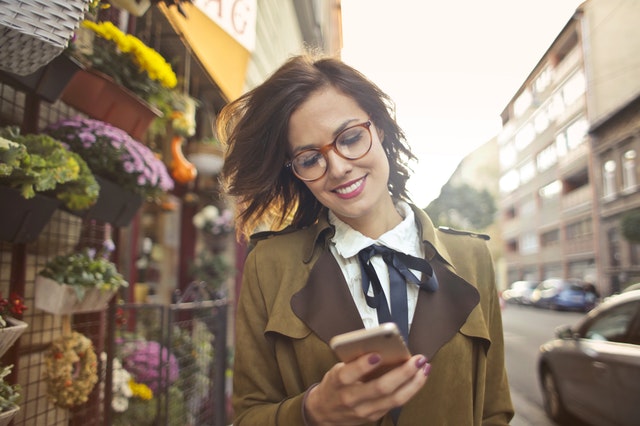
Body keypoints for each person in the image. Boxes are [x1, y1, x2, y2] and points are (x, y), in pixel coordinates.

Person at [216, 54, 514, 425]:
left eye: (351, 137)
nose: (339, 167)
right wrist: (312, 411)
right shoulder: (270, 264)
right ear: (297, 173)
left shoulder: (473, 258)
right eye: (310, 159)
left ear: (381, 129)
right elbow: (247, 416)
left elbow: (494, 411)